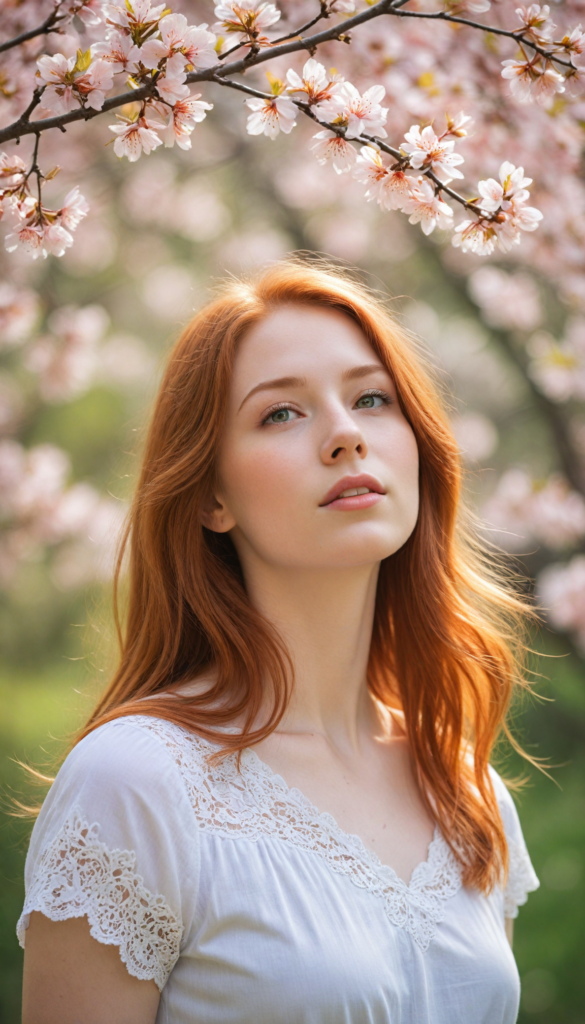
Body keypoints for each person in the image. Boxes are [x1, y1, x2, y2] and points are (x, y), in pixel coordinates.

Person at [19, 259, 539, 1024]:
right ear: (210, 496)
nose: (344, 435)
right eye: (280, 414)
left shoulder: (464, 786)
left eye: (371, 398)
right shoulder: (138, 784)